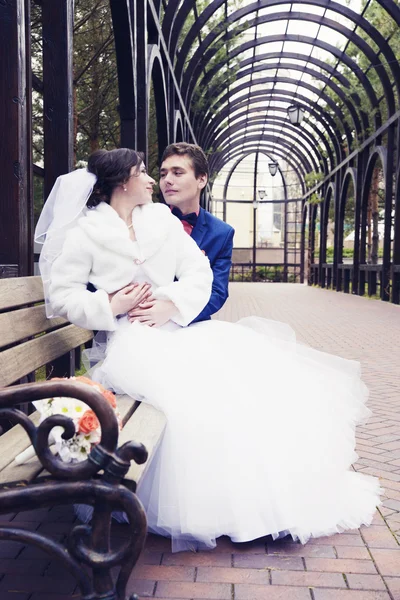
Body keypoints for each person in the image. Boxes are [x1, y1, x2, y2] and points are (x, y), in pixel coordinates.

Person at [35, 147, 381, 553]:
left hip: (177, 330)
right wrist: (110, 306)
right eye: (145, 172)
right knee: (179, 392)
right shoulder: (86, 233)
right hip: (130, 340)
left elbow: (199, 274)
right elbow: (61, 295)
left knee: (234, 378)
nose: (154, 181)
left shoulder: (161, 221)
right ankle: (187, 502)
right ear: (124, 182)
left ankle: (256, 500)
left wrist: (170, 303)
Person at [128, 143, 234, 326]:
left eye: (177, 173)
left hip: (192, 326)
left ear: (201, 180)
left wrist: (173, 309)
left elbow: (217, 292)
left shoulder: (222, 233)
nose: (167, 180)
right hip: (139, 323)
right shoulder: (137, 219)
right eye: (163, 174)